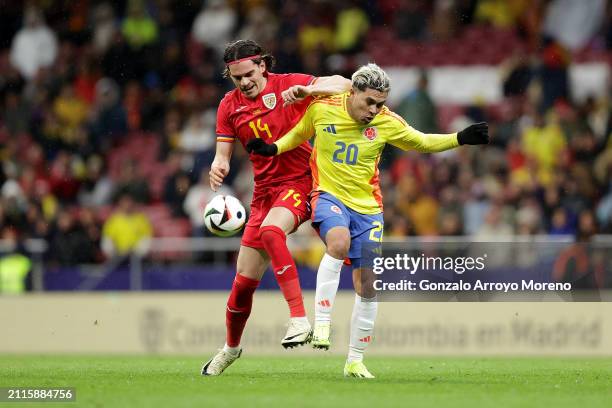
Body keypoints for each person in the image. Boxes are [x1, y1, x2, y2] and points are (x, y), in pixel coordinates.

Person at [248, 63, 489, 378]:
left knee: (368, 284)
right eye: (370, 102)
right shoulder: (323, 109)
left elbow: (422, 142)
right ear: (354, 92)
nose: (375, 109)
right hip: (328, 196)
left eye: (381, 103)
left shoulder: (387, 122)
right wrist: (273, 148)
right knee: (337, 242)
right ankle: (321, 325)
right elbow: (299, 134)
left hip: (369, 209)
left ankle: (355, 361)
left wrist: (460, 137)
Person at [202, 40, 351, 376]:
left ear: (263, 66)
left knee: (272, 231)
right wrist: (218, 166)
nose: (244, 82)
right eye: (236, 77)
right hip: (263, 194)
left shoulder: (289, 84)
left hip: (301, 181)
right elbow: (222, 155)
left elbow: (346, 84)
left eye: (248, 74)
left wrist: (308, 90)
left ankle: (299, 318)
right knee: (242, 284)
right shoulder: (229, 105)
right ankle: (231, 348)